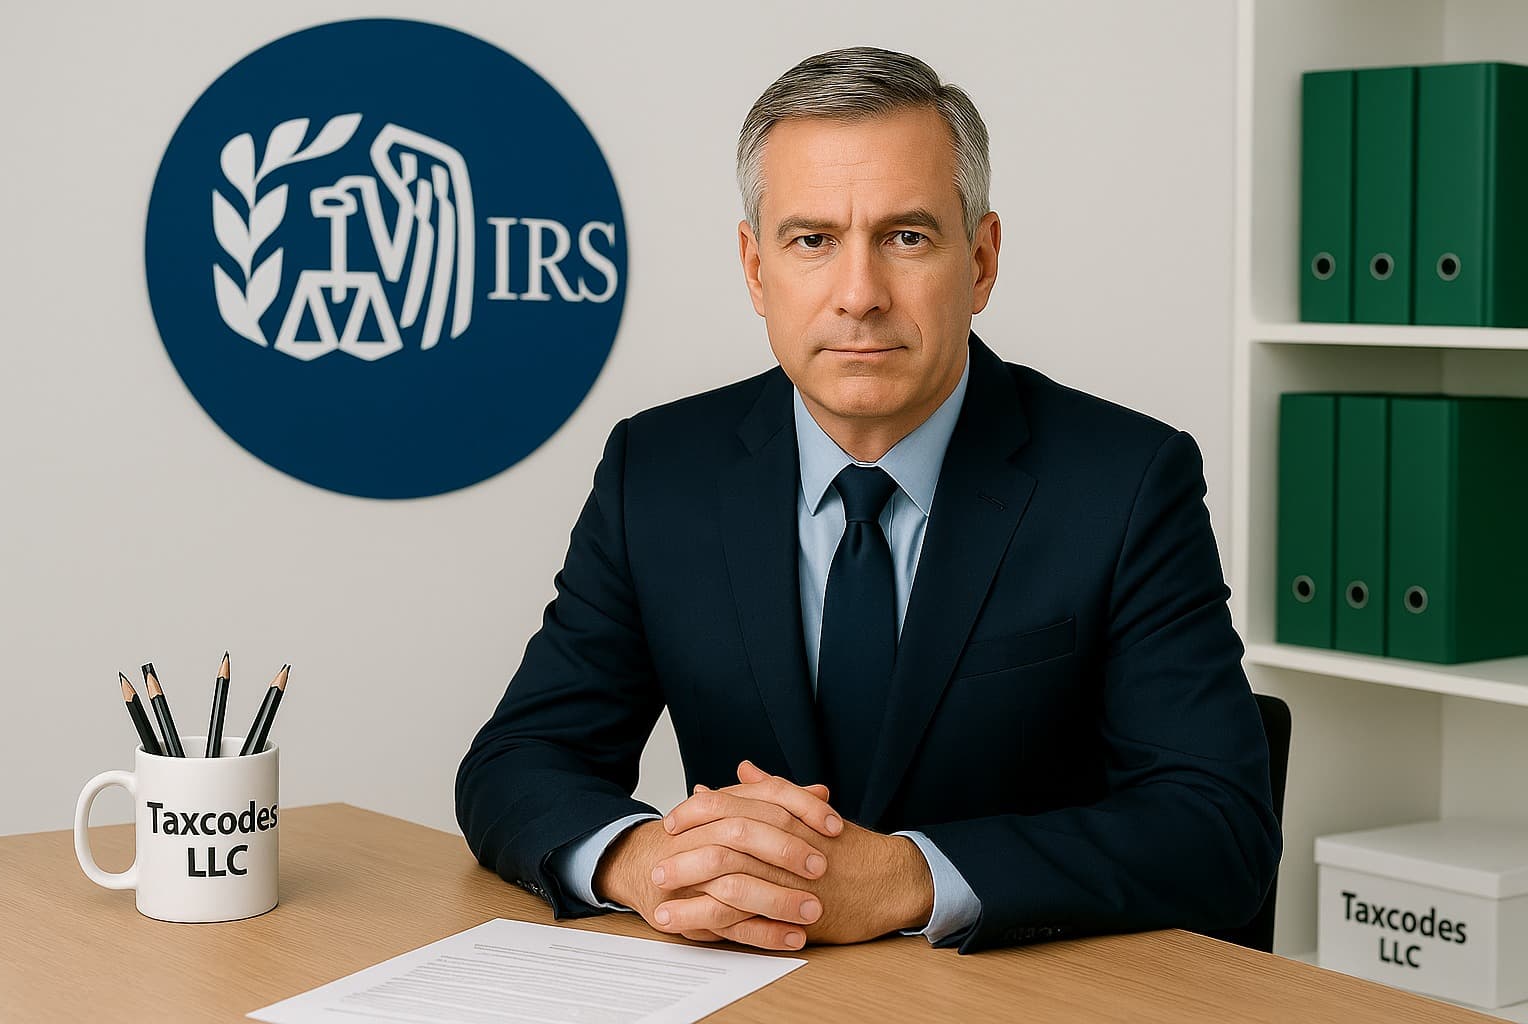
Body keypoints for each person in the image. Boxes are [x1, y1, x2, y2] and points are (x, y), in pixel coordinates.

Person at [456, 46, 1280, 955]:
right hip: (744, 993)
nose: (859, 296)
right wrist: (648, 861)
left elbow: (1219, 828)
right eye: (812, 240)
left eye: (906, 237)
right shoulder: (656, 470)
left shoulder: (1127, 481)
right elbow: (518, 761)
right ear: (755, 267)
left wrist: (909, 877)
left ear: (982, 259)